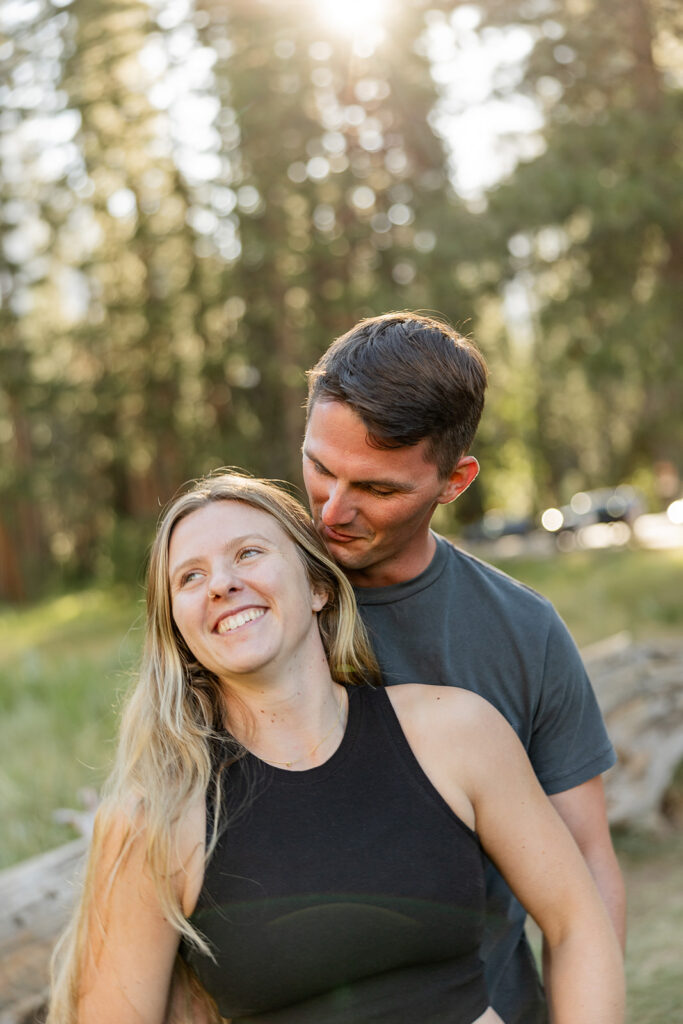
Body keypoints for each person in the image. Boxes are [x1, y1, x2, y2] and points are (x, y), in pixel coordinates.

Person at [48, 471, 624, 1024]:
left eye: (248, 553)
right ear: (179, 629)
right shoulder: (156, 817)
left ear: (319, 585)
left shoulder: (456, 733)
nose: (221, 582)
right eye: (190, 577)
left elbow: (578, 922)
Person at [302, 311, 626, 1023]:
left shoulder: (522, 630)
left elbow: (585, 861)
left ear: (454, 482)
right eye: (319, 467)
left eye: (377, 489)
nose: (331, 510)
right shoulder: (248, 609)